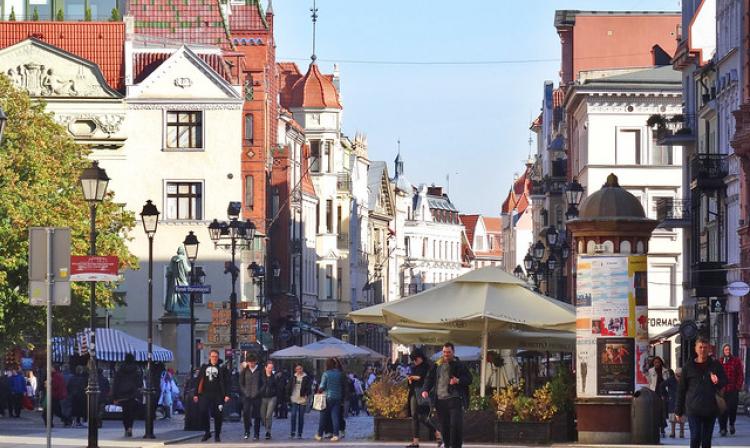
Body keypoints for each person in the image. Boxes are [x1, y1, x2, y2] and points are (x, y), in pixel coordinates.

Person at [675, 336, 728, 448]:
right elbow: (681, 389)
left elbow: (724, 381)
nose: (702, 350)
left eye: (705, 347)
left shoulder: (715, 365)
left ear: (709, 349)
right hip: (693, 408)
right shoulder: (688, 367)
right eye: (700, 347)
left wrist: (717, 381)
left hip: (710, 408)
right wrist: (678, 411)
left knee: (706, 440)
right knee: (695, 437)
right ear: (696, 349)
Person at [422, 342, 472, 448]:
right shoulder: (437, 364)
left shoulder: (459, 365)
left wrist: (458, 380)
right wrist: (425, 390)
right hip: (440, 400)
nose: (446, 354)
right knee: (444, 426)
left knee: (455, 425)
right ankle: (447, 445)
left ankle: (456, 446)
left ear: (453, 352)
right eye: (444, 352)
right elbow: (429, 378)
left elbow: (469, 379)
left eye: (448, 352)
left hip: (454, 399)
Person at [406, 348, 441, 448]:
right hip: (413, 393)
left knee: (422, 417)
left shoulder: (428, 365)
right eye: (413, 360)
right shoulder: (414, 367)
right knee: (414, 416)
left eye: (415, 359)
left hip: (423, 394)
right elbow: (414, 378)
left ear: (420, 357)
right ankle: (415, 442)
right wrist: (410, 380)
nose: (414, 362)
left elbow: (423, 378)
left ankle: (437, 432)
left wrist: (413, 377)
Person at [193, 349, 230, 442]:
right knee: (203, 411)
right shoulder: (204, 367)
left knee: (218, 414)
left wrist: (227, 394)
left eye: (216, 357)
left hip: (218, 395)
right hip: (205, 394)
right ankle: (207, 432)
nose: (214, 358)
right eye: (212, 356)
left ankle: (217, 434)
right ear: (209, 357)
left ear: (218, 358)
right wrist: (195, 394)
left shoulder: (222, 368)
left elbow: (227, 382)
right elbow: (198, 380)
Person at [112, 354, 143, 437]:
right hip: (133, 394)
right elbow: (140, 383)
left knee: (125, 412)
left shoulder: (120, 370)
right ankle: (130, 428)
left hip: (122, 394)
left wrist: (115, 396)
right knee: (131, 412)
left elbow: (116, 383)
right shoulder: (136, 369)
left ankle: (126, 428)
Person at [315, 358, 344, 442]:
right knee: (335, 416)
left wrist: (318, 392)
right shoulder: (339, 374)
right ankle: (335, 435)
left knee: (323, 416)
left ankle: (319, 434)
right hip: (337, 397)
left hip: (327, 397)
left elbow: (322, 386)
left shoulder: (326, 374)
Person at [718, 344, 744, 436]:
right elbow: (715, 374)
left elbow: (740, 374)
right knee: (722, 410)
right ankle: (723, 428)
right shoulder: (720, 361)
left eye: (728, 349)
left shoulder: (736, 361)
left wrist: (738, 386)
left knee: (732, 408)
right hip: (722, 390)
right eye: (726, 349)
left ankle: (732, 424)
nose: (727, 351)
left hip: (733, 389)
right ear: (723, 351)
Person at [240, 354, 264, 440]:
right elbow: (241, 383)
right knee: (246, 413)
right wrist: (245, 392)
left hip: (257, 396)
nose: (251, 364)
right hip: (247, 396)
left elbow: (263, 383)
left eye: (252, 362)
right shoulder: (245, 370)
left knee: (257, 415)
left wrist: (259, 392)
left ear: (255, 362)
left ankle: (256, 434)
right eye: (249, 362)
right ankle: (247, 431)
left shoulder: (260, 370)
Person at [286, 363, 312, 439]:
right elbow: (288, 386)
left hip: (302, 399)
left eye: (300, 368)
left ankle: (300, 433)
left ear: (302, 369)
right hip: (294, 398)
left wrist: (307, 394)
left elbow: (309, 388)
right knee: (293, 415)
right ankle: (292, 432)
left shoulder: (306, 377)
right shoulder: (293, 377)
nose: (299, 370)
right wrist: (288, 396)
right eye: (297, 369)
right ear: (295, 370)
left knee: (301, 417)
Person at [647, 356, 668, 437]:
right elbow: (649, 382)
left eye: (658, 362)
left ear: (661, 363)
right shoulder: (651, 371)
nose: (657, 364)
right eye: (655, 362)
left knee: (662, 411)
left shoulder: (665, 371)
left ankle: (662, 428)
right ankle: (655, 428)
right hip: (654, 393)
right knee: (654, 411)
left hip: (663, 393)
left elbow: (667, 381)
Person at [260, 360, 279, 439]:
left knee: (268, 415)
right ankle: (266, 425)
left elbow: (277, 387)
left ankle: (268, 432)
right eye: (269, 368)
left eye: (271, 368)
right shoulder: (261, 376)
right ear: (265, 368)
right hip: (262, 397)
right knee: (263, 416)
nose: (270, 369)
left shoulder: (274, 377)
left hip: (272, 397)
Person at [663, 368, 683, 438]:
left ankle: (681, 432)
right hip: (672, 399)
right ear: (675, 374)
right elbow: (662, 385)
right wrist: (665, 395)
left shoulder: (684, 379)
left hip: (682, 399)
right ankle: (673, 432)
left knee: (682, 417)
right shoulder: (671, 379)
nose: (679, 377)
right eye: (678, 376)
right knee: (672, 417)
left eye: (681, 376)